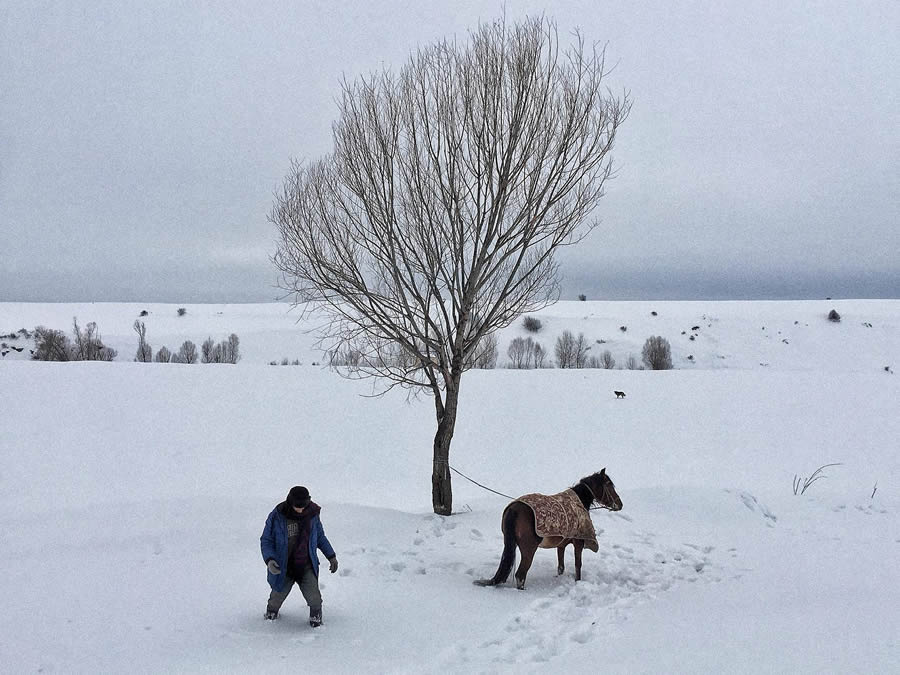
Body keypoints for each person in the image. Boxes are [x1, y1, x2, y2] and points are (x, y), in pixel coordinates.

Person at [260, 485, 338, 627]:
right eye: (297, 505)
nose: (300, 509)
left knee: (314, 598)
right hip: (284, 567)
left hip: (306, 565)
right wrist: (270, 560)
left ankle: (316, 622)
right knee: (276, 597)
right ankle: (270, 618)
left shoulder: (313, 515)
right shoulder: (277, 515)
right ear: (290, 501)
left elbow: (320, 536)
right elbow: (266, 540)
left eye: (303, 505)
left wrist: (331, 555)